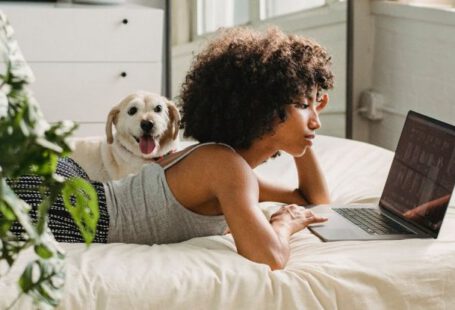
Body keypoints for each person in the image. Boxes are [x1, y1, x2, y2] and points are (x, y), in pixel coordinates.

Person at [8, 27, 334, 270]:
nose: (316, 120)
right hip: (67, 208)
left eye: (316, 105)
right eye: (304, 105)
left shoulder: (226, 167)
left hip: (77, 191)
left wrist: (303, 137)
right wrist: (284, 223)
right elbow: (271, 257)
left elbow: (314, 201)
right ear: (262, 107)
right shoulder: (226, 169)